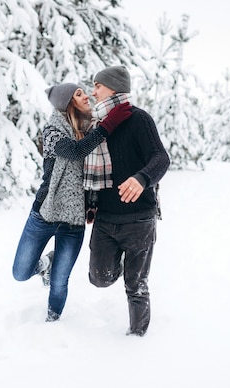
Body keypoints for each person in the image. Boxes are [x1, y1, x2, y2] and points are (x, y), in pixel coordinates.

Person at [12, 82, 132, 322]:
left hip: (74, 220)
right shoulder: (53, 132)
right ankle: (45, 263)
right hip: (45, 213)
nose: (86, 96)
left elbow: (95, 171)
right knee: (21, 272)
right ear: (68, 103)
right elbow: (75, 151)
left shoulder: (91, 131)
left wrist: (92, 202)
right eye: (79, 94)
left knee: (59, 282)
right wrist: (108, 125)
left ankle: (52, 321)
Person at [86, 66, 170, 336]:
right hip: (105, 219)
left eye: (98, 85)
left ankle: (136, 337)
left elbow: (161, 158)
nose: (93, 91)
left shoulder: (139, 119)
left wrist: (142, 178)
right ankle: (121, 265)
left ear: (113, 87)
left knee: (136, 285)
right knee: (99, 278)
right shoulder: (97, 126)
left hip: (139, 220)